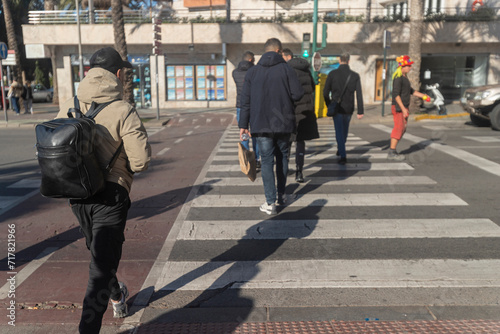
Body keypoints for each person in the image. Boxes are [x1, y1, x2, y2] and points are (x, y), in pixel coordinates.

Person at [56, 47, 151, 334]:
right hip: (111, 197)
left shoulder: (69, 104)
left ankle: (117, 294)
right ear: (119, 74)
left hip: (77, 194)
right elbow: (141, 161)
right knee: (100, 269)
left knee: (100, 257)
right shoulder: (123, 110)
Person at [239, 38, 304, 215]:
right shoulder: (286, 69)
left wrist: (243, 125)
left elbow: (245, 101)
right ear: (279, 51)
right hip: (283, 122)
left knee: (267, 161)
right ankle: (282, 195)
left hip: (260, 124)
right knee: (283, 157)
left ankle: (270, 202)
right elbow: (298, 94)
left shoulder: (253, 72)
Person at [282, 48, 319, 183]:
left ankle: (284, 170)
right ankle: (299, 172)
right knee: (300, 143)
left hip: (291, 112)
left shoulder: (288, 72)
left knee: (287, 143)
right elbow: (313, 89)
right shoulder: (307, 72)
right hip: (305, 113)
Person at [323, 53, 364, 165]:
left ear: (340, 60)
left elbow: (325, 92)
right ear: (349, 61)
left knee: (339, 131)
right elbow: (359, 94)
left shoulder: (332, 74)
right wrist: (360, 111)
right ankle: (341, 149)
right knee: (344, 131)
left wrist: (329, 104)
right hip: (349, 108)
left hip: (337, 108)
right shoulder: (355, 76)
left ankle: (343, 155)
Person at [388, 55, 430, 161]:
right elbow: (396, 95)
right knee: (399, 128)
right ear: (403, 66)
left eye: (410, 66)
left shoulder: (405, 78)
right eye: (408, 66)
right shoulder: (398, 79)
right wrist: (403, 109)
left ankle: (393, 150)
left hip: (403, 107)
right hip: (398, 107)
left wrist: (424, 96)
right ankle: (392, 151)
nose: (410, 68)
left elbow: (412, 91)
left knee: (403, 129)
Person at [232, 51, 260, 168]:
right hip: (253, 106)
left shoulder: (235, 72)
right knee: (255, 134)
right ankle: (256, 159)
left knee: (243, 132)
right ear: (250, 60)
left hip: (240, 106)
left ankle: (246, 159)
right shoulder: (255, 72)